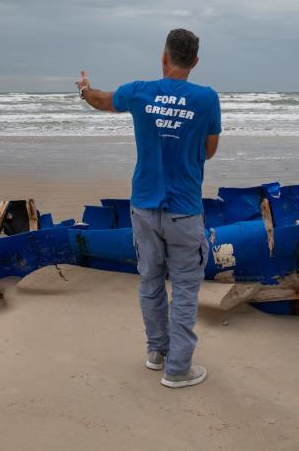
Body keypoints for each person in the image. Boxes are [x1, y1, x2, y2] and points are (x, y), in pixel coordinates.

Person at [76, 28, 221, 388]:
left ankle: (157, 352)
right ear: (196, 62)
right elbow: (210, 150)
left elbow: (101, 100)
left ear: (164, 56)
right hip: (184, 208)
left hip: (143, 205)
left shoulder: (138, 92)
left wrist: (83, 90)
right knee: (186, 287)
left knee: (151, 281)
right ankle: (177, 368)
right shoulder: (206, 99)